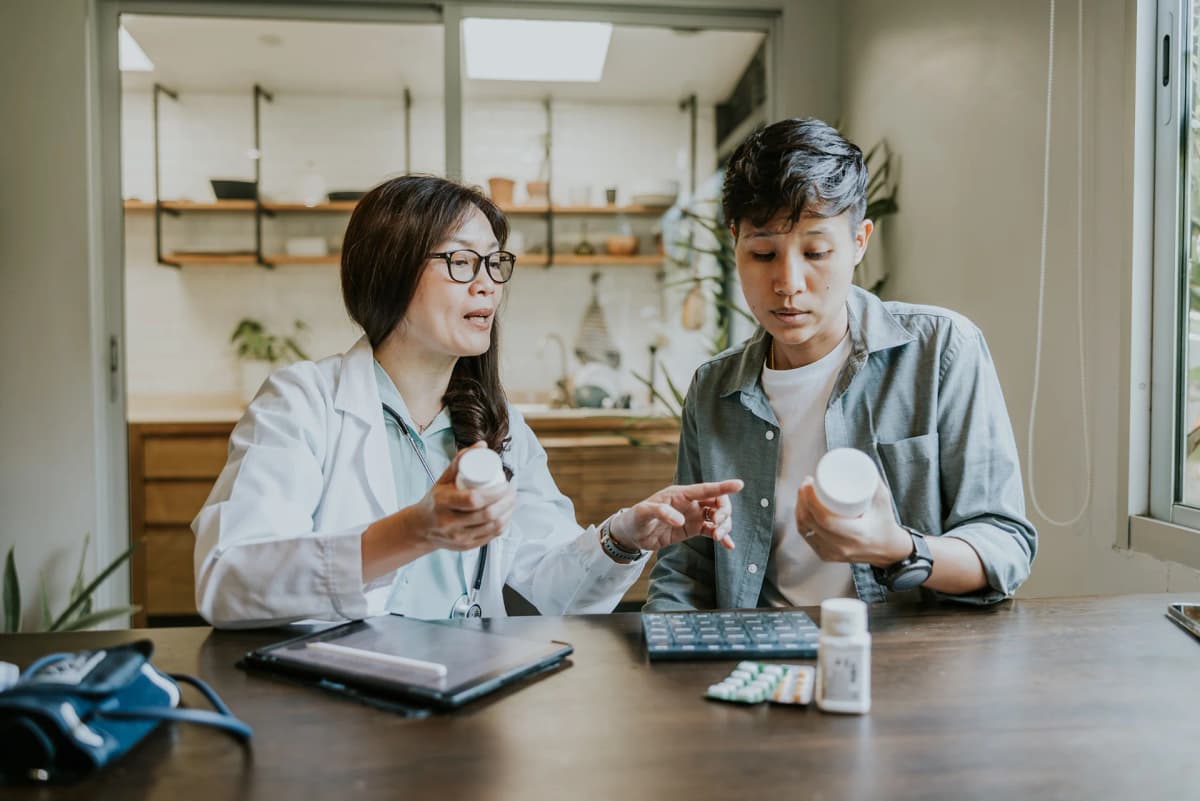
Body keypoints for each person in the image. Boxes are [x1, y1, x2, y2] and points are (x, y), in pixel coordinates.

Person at [193, 174, 743, 628]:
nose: (487, 285)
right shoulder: (303, 404)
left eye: (494, 263)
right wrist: (413, 531)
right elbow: (228, 582)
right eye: (461, 262)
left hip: (470, 694)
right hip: (341, 704)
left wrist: (623, 537)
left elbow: (552, 594)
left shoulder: (498, 426)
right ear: (390, 272)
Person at [645, 118, 1036, 611]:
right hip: (760, 658)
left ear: (859, 242)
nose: (788, 282)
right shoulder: (713, 389)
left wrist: (897, 548)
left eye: (816, 251)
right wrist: (665, 650)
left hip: (909, 662)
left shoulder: (942, 350)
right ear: (735, 245)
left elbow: (1006, 545)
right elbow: (688, 564)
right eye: (763, 253)